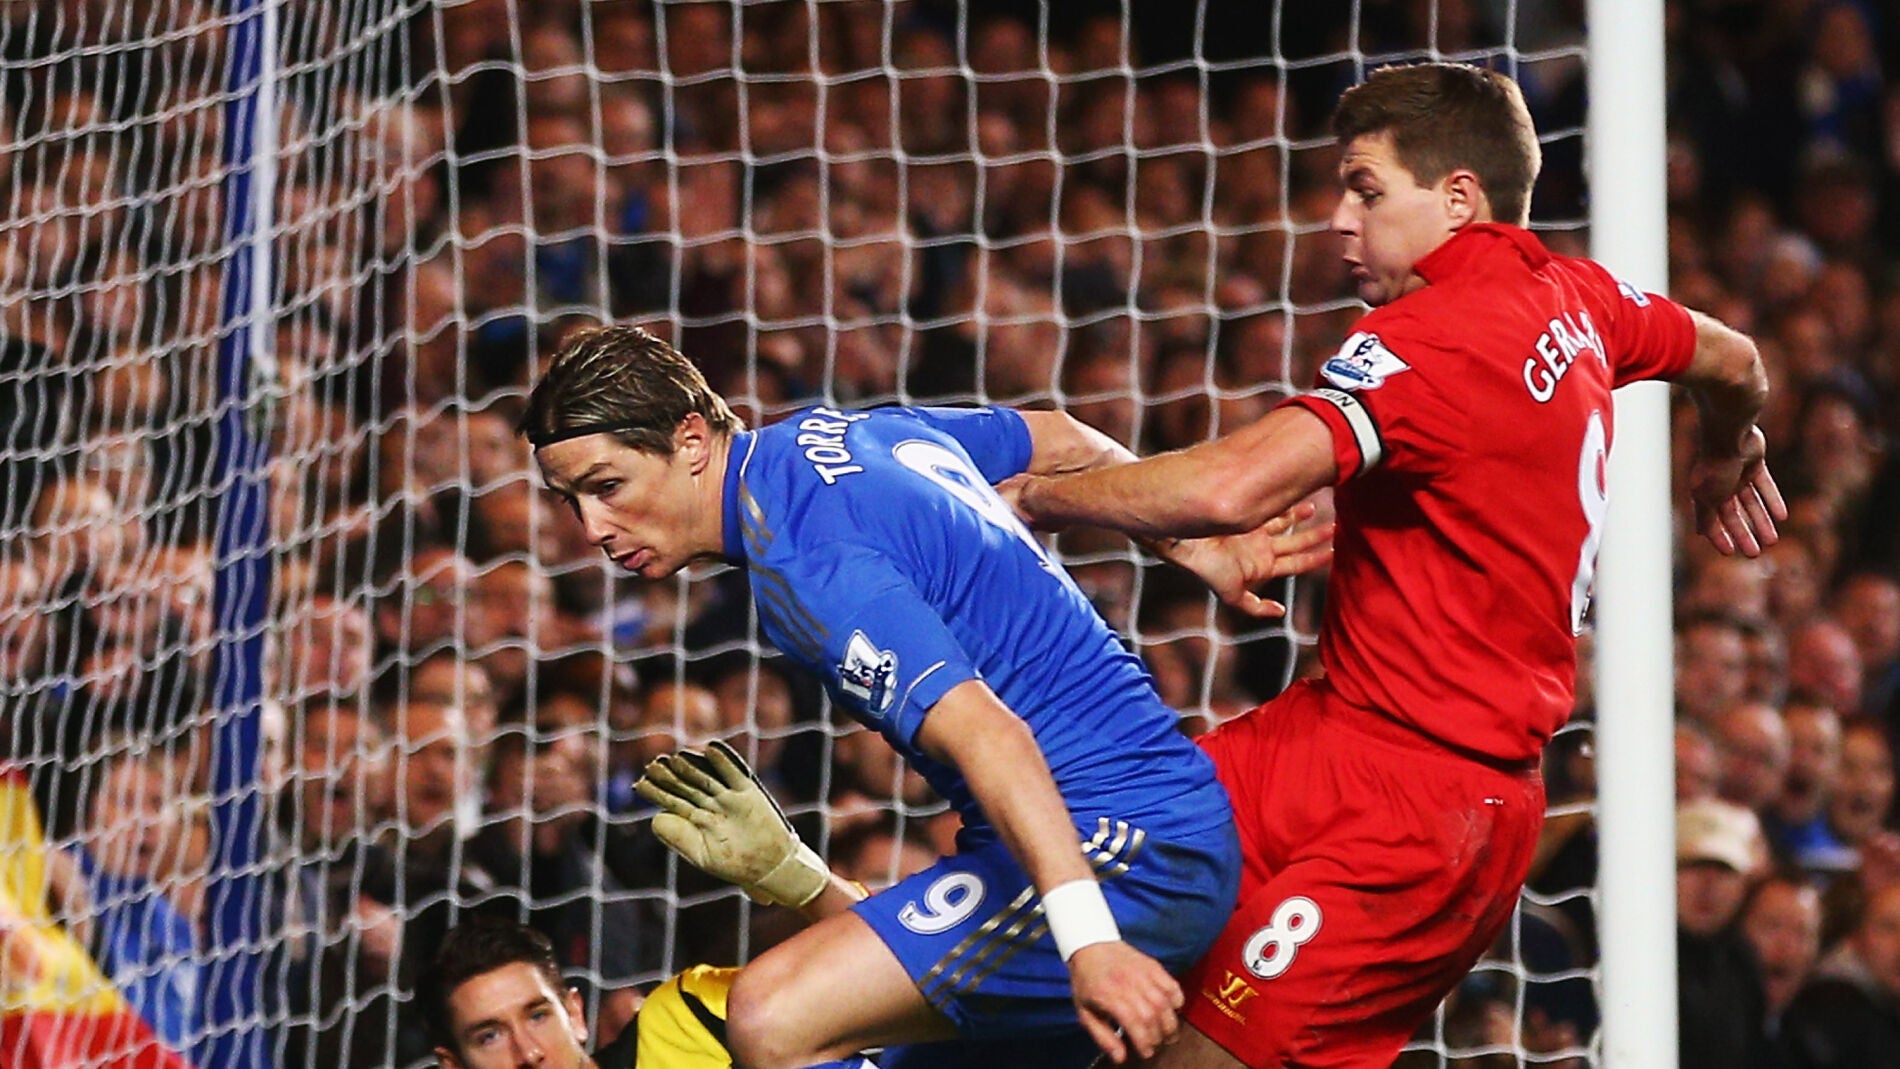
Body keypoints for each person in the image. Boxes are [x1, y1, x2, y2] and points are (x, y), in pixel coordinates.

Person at [1001, 61, 1785, 1068]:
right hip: (1326, 732)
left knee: (1185, 1049)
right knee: (1065, 878)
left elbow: (1232, 488)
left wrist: (1037, 495)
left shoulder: (1436, 340)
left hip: (1429, 807)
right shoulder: (1581, 297)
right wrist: (1728, 444)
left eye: (1365, 190)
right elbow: (1736, 361)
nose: (1340, 218)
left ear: (1458, 197)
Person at [519, 325, 1325, 1068]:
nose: (592, 526)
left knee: (769, 1016)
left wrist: (1088, 940)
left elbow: (989, 734)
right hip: (1093, 835)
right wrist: (1187, 543)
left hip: (1124, 853)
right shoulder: (838, 435)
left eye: (607, 485)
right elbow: (1066, 441)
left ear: (691, 441)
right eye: (569, 499)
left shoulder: (806, 565)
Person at [417, 913, 766, 1069]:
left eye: (538, 1016)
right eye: (490, 1036)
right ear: (453, 1066)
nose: (529, 1053)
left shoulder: (685, 1019)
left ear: (575, 1014)